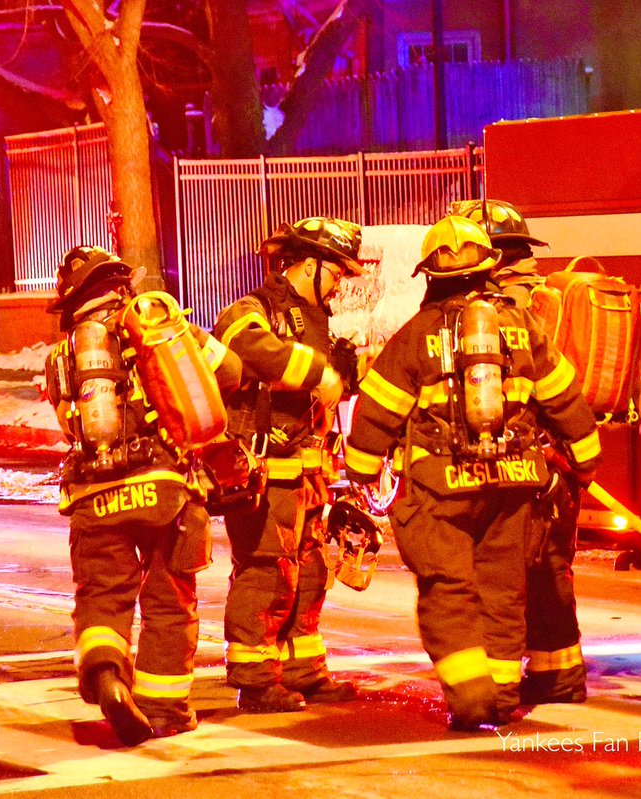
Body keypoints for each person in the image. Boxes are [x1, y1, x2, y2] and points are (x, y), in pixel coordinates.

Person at [343, 215, 601, 729]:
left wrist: (361, 470)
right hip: (514, 485)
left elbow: (377, 411)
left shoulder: (417, 335)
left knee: (448, 589)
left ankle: (471, 697)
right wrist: (585, 461)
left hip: (442, 490)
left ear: (431, 276)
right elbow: (566, 400)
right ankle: (503, 694)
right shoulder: (522, 328)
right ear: (489, 268)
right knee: (504, 590)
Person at [44, 245, 242, 745]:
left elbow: (71, 423)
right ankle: (165, 707)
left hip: (93, 496)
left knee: (103, 598)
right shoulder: (162, 326)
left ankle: (108, 673)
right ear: (121, 285)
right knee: (169, 602)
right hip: (165, 489)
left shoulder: (61, 356)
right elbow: (231, 373)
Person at [212, 216, 364, 712]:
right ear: (310, 265)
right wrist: (318, 371)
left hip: (307, 476)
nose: (340, 284)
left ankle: (303, 670)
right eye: (337, 273)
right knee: (265, 572)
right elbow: (243, 346)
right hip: (263, 471)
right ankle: (254, 680)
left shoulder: (315, 322)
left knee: (310, 571)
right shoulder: (252, 309)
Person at [450, 198, 590, 705]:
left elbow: (546, 393)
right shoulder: (538, 304)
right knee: (549, 569)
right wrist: (584, 459)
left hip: (530, 465)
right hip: (556, 463)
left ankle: (503, 684)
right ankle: (561, 675)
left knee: (508, 574)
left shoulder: (493, 321)